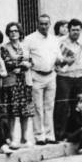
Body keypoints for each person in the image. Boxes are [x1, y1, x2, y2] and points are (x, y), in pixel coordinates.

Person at [24, 14, 60, 144]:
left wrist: (62, 61)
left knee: (49, 106)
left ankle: (50, 135)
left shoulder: (55, 40)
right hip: (36, 76)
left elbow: (58, 57)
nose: (44, 26)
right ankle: (39, 136)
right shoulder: (29, 39)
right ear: (37, 24)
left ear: (50, 25)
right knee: (38, 107)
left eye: (46, 24)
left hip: (51, 75)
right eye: (41, 24)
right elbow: (25, 58)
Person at [55, 19, 82, 143]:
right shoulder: (60, 42)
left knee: (77, 105)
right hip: (64, 77)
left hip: (79, 77)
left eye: (78, 30)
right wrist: (64, 61)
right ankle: (60, 134)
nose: (76, 32)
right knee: (63, 105)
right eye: (73, 30)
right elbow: (55, 60)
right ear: (69, 30)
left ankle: (74, 133)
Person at [0, 23, 34, 149]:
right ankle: (13, 138)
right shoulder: (5, 47)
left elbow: (31, 61)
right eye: (10, 31)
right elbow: (7, 62)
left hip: (25, 81)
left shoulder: (25, 46)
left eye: (15, 31)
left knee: (25, 112)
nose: (13, 33)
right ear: (8, 33)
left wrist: (25, 65)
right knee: (12, 112)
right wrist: (21, 65)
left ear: (20, 32)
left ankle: (24, 138)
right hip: (12, 82)